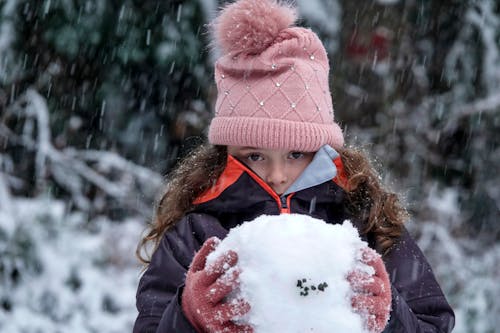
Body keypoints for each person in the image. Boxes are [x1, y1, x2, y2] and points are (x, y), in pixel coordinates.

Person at [133, 0, 455, 332]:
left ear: (323, 149)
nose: (277, 175)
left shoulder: (368, 222)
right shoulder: (195, 234)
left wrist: (391, 316)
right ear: (227, 151)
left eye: (296, 154)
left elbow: (433, 324)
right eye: (255, 156)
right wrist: (188, 316)